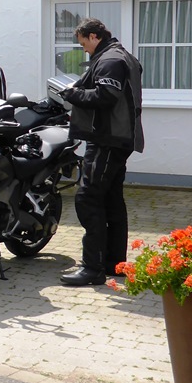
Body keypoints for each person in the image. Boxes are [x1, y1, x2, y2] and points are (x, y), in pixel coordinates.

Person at [58, 18, 144, 286]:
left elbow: (105, 97)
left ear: (94, 36)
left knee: (88, 198)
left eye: (83, 43)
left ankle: (92, 267)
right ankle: (114, 264)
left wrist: (71, 94)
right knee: (112, 199)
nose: (83, 49)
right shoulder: (121, 56)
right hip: (119, 138)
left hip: (108, 139)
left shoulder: (110, 60)